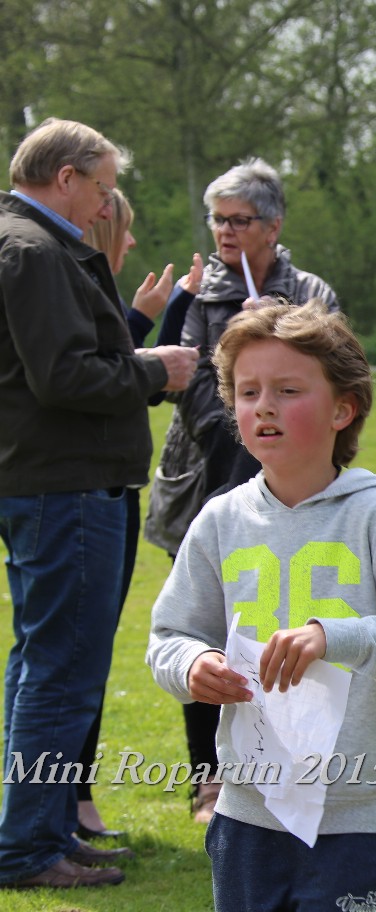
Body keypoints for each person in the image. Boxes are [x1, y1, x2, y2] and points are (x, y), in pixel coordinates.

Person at [146, 299, 376, 911]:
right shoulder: (219, 521)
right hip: (247, 809)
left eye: (288, 390)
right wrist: (192, 665)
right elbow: (169, 637)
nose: (264, 406)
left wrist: (335, 636)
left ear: (343, 408)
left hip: (357, 813)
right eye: (248, 392)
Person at [0, 117, 197, 889]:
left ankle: (46, 831)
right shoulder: (36, 250)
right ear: (66, 178)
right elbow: (63, 377)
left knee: (45, 665)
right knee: (59, 672)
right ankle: (28, 849)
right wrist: (156, 371)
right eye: (103, 189)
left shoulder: (31, 244)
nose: (106, 206)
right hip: (65, 485)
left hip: (54, 481)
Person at [144, 157, 339, 823]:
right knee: (207, 633)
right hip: (205, 481)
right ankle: (209, 779)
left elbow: (330, 368)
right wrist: (248, 412)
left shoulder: (308, 290)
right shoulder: (200, 295)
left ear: (273, 226)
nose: (225, 231)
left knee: (286, 626)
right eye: (218, 219)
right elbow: (191, 382)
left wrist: (279, 330)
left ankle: (296, 769)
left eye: (240, 220)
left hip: (292, 489)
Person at [73, 187, 200, 841]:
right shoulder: (65, 281)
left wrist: (152, 315)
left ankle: (70, 802)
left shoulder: (86, 290)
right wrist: (149, 327)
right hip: (84, 490)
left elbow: (112, 369)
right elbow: (95, 380)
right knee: (72, 657)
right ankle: (66, 803)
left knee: (82, 655)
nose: (129, 242)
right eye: (121, 230)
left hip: (109, 488)